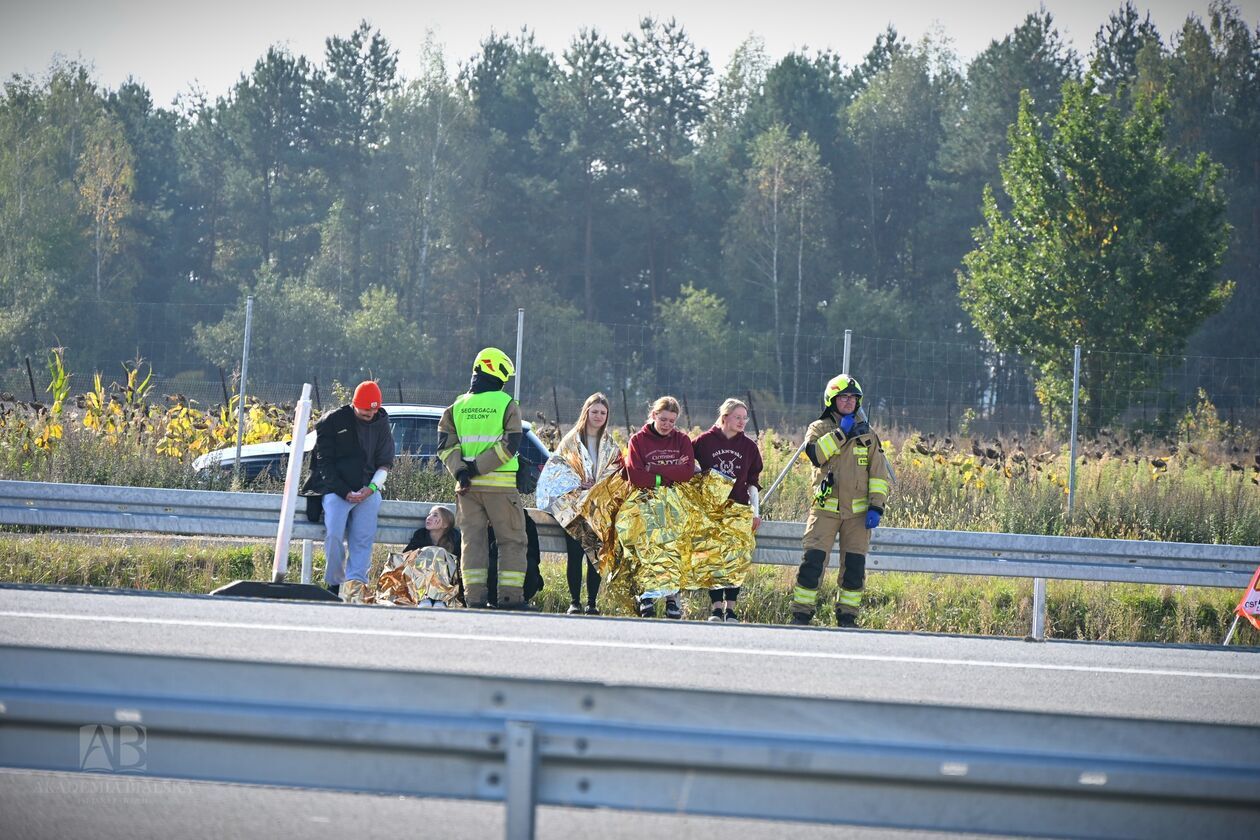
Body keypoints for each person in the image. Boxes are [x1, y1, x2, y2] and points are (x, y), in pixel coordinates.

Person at [789, 375, 891, 628]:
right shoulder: (819, 428)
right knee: (812, 563)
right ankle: (801, 615)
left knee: (854, 567)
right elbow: (816, 455)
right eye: (843, 397)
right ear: (832, 400)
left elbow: (878, 474)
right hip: (824, 511)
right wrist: (840, 433)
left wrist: (876, 506)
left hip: (857, 516)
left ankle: (847, 616)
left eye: (853, 398)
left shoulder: (867, 434)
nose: (849, 401)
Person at [438, 347, 529, 609]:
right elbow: (510, 444)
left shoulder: (457, 406)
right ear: (496, 372)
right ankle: (510, 599)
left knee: (472, 543)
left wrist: (463, 471)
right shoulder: (506, 404)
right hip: (500, 488)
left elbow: (445, 446)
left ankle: (475, 599)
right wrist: (478, 467)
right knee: (512, 540)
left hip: (466, 489)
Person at [300, 380, 395, 604]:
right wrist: (344, 492)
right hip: (336, 489)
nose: (370, 413)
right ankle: (333, 583)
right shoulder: (333, 422)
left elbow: (385, 463)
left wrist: (371, 489)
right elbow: (324, 463)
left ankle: (355, 587)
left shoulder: (381, 422)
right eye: (365, 410)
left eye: (374, 409)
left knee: (363, 538)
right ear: (354, 405)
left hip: (368, 490)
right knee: (333, 534)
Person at [537, 393, 619, 615]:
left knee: (596, 554)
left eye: (603, 413)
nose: (598, 416)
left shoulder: (610, 444)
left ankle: (592, 602)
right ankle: (575, 602)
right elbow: (557, 469)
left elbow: (617, 472)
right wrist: (579, 482)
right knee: (575, 553)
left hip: (598, 508)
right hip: (572, 506)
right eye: (594, 412)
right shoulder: (571, 441)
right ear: (586, 412)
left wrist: (599, 485)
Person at [691, 398, 763, 623]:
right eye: (737, 417)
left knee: (736, 558)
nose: (742, 422)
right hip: (711, 510)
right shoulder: (703, 442)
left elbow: (753, 481)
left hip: (738, 509)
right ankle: (716, 607)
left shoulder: (749, 447)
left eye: (744, 418)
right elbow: (688, 465)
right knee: (713, 557)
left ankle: (730, 608)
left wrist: (755, 511)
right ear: (725, 418)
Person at [624, 395, 696, 619]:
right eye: (663, 419)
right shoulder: (638, 440)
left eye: (672, 421)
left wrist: (653, 468)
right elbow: (635, 475)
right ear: (654, 415)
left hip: (675, 503)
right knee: (648, 545)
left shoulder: (681, 440)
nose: (667, 425)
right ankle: (647, 595)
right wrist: (664, 476)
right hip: (645, 500)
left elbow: (686, 472)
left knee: (673, 548)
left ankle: (672, 598)